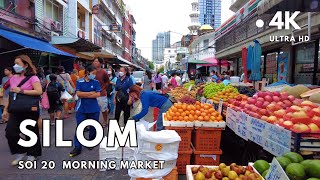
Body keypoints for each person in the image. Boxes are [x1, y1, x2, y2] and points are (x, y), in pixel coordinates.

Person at [3, 55, 42, 165]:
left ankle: (32, 154)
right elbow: (11, 95)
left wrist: (21, 91)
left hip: (29, 109)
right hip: (15, 109)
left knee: (30, 131)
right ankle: (20, 152)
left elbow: (39, 91)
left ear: (25, 65)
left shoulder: (33, 78)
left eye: (18, 64)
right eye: (14, 63)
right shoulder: (13, 78)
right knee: (10, 132)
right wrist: (6, 109)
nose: (15, 66)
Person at [70, 65, 101, 157]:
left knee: (93, 126)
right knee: (80, 127)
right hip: (82, 108)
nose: (94, 75)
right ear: (88, 72)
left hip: (93, 108)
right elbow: (78, 94)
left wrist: (85, 95)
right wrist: (91, 93)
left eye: (95, 74)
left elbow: (98, 94)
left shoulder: (96, 82)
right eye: (93, 73)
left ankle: (91, 141)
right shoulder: (79, 81)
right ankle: (77, 147)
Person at [93, 57, 110, 127]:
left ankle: (105, 121)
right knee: (93, 110)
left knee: (103, 110)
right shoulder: (91, 71)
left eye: (96, 61)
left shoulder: (104, 72)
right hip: (92, 94)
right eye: (94, 61)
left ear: (100, 63)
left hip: (101, 94)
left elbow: (107, 82)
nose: (94, 62)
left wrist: (102, 88)